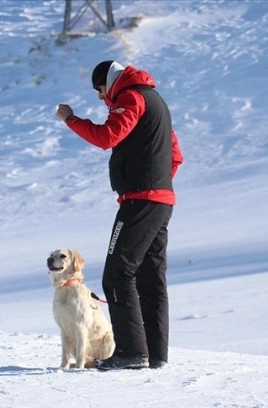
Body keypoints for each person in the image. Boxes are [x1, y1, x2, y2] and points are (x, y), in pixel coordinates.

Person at [56, 60, 183, 370]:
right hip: (160, 200)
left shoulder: (131, 97)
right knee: (149, 278)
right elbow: (176, 155)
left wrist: (71, 119)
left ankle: (130, 352)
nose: (101, 98)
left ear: (110, 82)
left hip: (141, 200)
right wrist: (158, 184)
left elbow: (106, 137)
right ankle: (155, 355)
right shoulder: (157, 101)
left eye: (100, 91)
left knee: (117, 273)